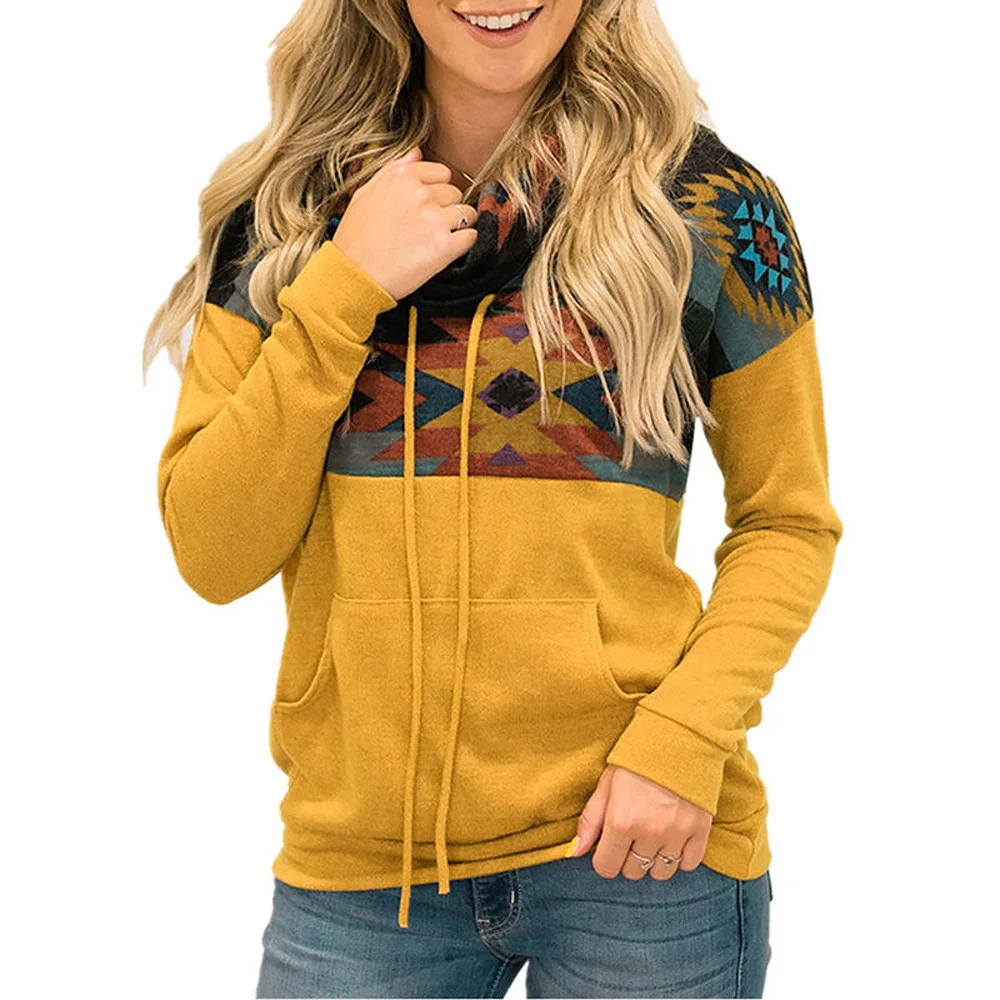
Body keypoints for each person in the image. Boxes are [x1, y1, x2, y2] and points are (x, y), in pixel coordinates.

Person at [145, 1, 843, 997]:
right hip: (363, 867)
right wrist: (343, 286)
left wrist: (682, 743)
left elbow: (787, 520)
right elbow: (215, 553)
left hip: (642, 843)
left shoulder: (710, 208)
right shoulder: (282, 217)